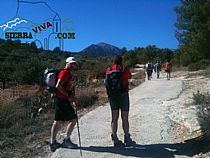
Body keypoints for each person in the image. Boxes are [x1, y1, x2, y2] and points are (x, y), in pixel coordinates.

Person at [106, 56, 136, 147]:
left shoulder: (109, 69)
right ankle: (127, 138)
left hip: (113, 97)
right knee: (125, 118)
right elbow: (130, 76)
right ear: (122, 62)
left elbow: (106, 82)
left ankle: (115, 138)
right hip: (123, 95)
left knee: (114, 118)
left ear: (114, 61)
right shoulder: (125, 69)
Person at [50, 57, 78, 152]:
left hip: (61, 99)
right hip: (62, 100)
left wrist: (72, 98)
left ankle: (53, 143)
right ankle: (66, 140)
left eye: (74, 63)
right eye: (71, 63)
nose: (73, 65)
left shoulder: (68, 73)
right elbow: (58, 86)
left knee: (57, 121)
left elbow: (68, 88)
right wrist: (68, 96)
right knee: (73, 119)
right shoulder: (65, 72)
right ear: (67, 63)